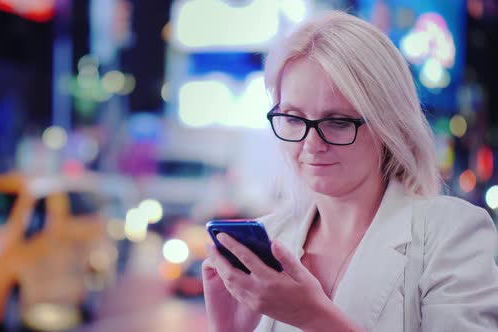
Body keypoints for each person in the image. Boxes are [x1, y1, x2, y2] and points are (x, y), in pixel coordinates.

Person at [202, 10, 498, 332]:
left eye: (338, 122)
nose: (311, 143)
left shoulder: (450, 233)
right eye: (293, 118)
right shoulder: (270, 240)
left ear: (390, 126)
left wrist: (313, 317)